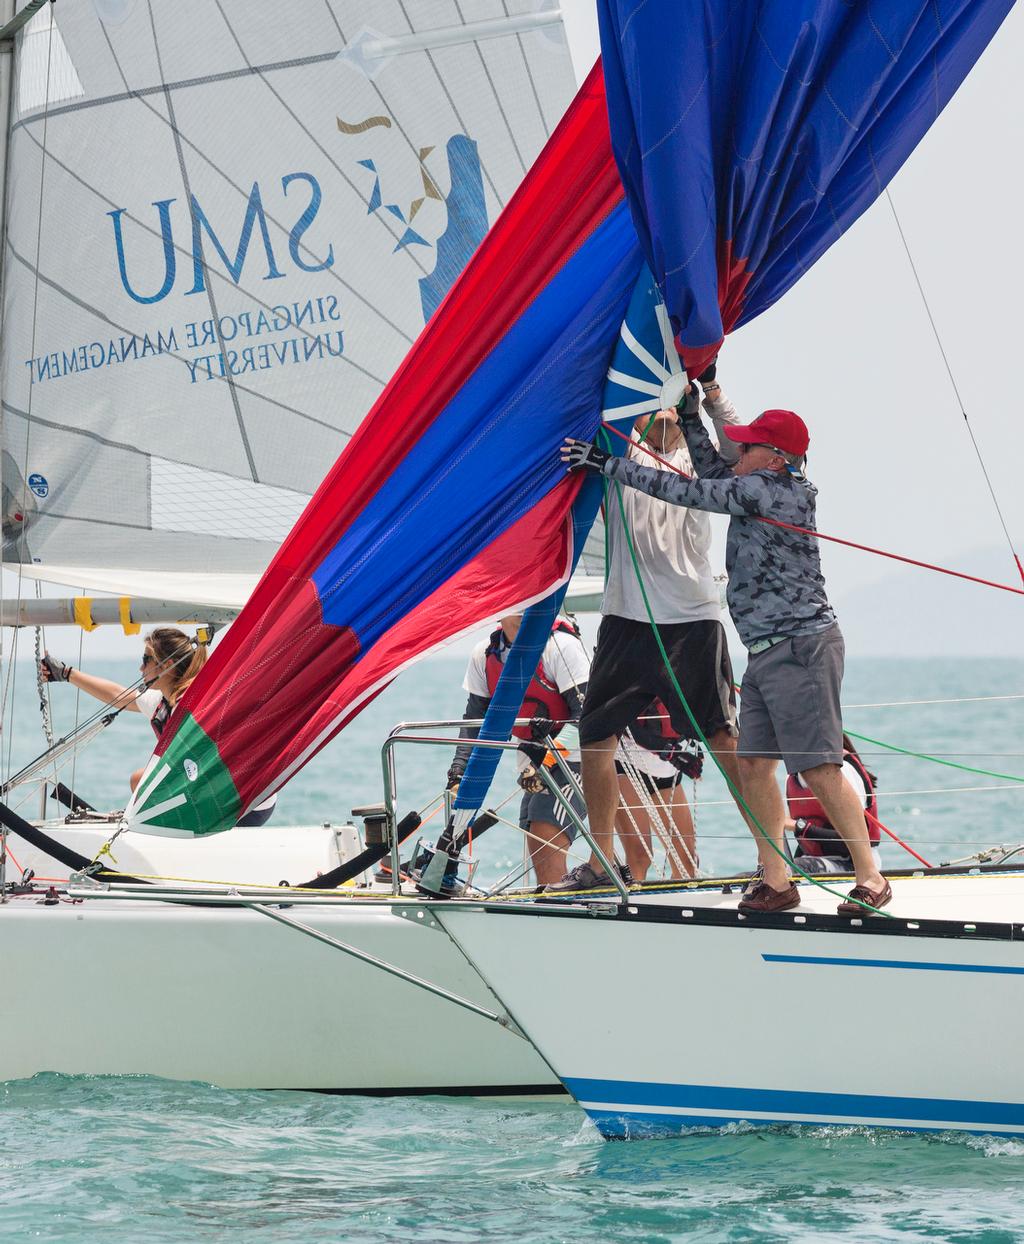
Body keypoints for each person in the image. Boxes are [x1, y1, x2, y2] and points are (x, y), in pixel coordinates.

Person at [562, 384, 891, 915]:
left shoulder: (774, 490)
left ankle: (872, 880)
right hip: (763, 648)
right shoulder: (753, 482)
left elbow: (693, 489)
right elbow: (716, 472)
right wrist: (697, 410)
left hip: (801, 644)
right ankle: (778, 882)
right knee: (757, 764)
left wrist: (608, 461)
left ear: (775, 457)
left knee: (819, 766)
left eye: (749, 446)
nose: (737, 451)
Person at [546, 369, 749, 894]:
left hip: (692, 619)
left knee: (722, 738)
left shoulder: (702, 462)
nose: (660, 416)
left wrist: (710, 395)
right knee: (594, 736)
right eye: (650, 407)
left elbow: (738, 447)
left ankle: (775, 857)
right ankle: (600, 860)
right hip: (626, 615)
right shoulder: (620, 452)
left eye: (670, 409)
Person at [40, 627, 276, 826]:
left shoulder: (195, 706)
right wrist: (66, 674)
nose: (140, 669)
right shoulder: (163, 701)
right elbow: (120, 696)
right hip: (227, 796)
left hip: (245, 803)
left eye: (146, 660)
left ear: (168, 665)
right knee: (142, 783)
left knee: (140, 783)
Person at [446, 614, 590, 887]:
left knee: (544, 836)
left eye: (533, 602)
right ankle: (551, 908)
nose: (525, 611)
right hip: (533, 760)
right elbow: (474, 721)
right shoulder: (484, 655)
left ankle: (558, 914)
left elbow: (585, 715)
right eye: (519, 603)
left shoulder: (560, 646)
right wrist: (458, 772)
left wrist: (546, 759)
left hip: (577, 756)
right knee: (537, 841)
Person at [614, 699, 702, 881]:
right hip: (626, 762)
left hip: (667, 768)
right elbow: (619, 717)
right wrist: (669, 752)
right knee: (639, 856)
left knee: (688, 861)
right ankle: (632, 905)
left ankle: (677, 906)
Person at [785, 734, 881, 874]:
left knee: (786, 870)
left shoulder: (843, 771)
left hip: (853, 863)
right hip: (815, 861)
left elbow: (856, 838)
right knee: (769, 871)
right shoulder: (792, 778)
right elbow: (807, 842)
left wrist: (799, 826)